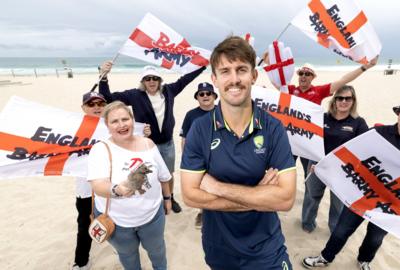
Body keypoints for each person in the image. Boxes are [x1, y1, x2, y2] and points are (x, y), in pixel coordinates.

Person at [180, 36, 297, 269]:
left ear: (253, 75)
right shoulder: (200, 128)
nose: (234, 79)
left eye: (241, 69)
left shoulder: (273, 127)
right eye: (225, 71)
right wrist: (260, 195)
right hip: (219, 247)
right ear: (214, 79)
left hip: (266, 246)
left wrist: (217, 187)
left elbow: (285, 199)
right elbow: (190, 196)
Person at [302, 96, 400, 270]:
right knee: (341, 230)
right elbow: (350, 153)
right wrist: (325, 166)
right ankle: (325, 257)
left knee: (375, 238)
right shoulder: (379, 133)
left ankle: (364, 260)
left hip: (392, 207)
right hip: (363, 195)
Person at [99, 61, 206, 213]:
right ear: (143, 82)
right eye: (147, 79)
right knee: (146, 175)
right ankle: (156, 199)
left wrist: (202, 65)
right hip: (146, 145)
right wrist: (103, 77)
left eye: (155, 78)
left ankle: (170, 197)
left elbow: (186, 79)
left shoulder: (169, 91)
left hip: (167, 143)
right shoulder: (135, 95)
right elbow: (108, 98)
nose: (151, 81)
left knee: (168, 174)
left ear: (159, 80)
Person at [263, 54, 378, 178]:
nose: (303, 76)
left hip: (309, 141)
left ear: (313, 77)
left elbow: (343, 80)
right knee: (282, 172)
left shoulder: (318, 91)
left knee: (310, 176)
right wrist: (268, 63)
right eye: (301, 73)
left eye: (307, 74)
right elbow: (276, 81)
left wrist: (365, 67)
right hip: (291, 139)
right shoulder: (290, 90)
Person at [87, 101, 172, 270]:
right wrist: (117, 190)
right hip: (118, 222)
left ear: (132, 120)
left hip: (152, 216)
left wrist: (168, 198)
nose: (121, 125)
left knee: (157, 250)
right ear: (107, 125)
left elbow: (164, 176)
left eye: (125, 119)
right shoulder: (100, 149)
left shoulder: (148, 144)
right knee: (127, 255)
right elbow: (98, 184)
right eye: (115, 121)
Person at [301, 85, 368, 234]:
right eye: (340, 98)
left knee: (338, 203)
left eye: (348, 98)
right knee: (312, 196)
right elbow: (308, 139)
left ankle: (334, 229)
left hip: (343, 170)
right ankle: (307, 223)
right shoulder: (322, 118)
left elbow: (363, 149)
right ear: (334, 100)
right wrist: (313, 159)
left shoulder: (358, 123)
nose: (343, 101)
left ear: (353, 101)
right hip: (317, 165)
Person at [72, 91, 107, 270]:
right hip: (86, 189)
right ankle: (81, 261)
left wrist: (144, 131)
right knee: (84, 225)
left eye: (100, 104)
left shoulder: (112, 125)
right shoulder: (73, 127)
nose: (96, 108)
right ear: (83, 107)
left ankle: (120, 249)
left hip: (109, 188)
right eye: (91, 104)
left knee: (115, 221)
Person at [179, 82, 217, 229]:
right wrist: (186, 158)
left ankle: (217, 211)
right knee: (201, 187)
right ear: (197, 98)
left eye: (208, 93)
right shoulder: (191, 115)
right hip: (199, 158)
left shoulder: (224, 111)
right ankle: (203, 212)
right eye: (201, 94)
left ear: (214, 96)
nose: (205, 96)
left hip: (220, 155)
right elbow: (184, 139)